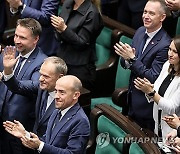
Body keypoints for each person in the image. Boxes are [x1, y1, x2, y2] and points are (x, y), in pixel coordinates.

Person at [114, 0, 171, 131]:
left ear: (162, 17)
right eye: (145, 12)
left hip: (147, 107)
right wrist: (126, 59)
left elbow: (153, 77)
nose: (146, 16)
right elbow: (127, 63)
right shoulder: (140, 31)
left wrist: (132, 59)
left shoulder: (165, 44)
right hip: (131, 99)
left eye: (151, 13)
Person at [3, 75, 90, 154]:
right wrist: (25, 134)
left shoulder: (80, 121)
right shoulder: (56, 111)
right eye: (56, 91)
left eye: (62, 92)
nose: (56, 96)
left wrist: (39, 146)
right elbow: (47, 140)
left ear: (76, 95)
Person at [0, 18, 47, 154]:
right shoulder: (9, 52)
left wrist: (7, 74)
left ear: (35, 39)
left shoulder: (42, 62)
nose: (17, 41)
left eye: (22, 38)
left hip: (20, 127)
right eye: (16, 35)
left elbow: (31, 86)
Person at [3, 56, 67, 138]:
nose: (40, 79)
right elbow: (17, 86)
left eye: (46, 76)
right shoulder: (41, 87)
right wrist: (8, 70)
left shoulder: (67, 100)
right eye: (41, 74)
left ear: (60, 77)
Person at [134, 36, 180, 142]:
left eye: (175, 51)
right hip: (157, 124)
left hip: (173, 132)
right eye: (169, 49)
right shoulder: (167, 65)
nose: (170, 54)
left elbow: (172, 108)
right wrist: (147, 88)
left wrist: (151, 92)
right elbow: (155, 90)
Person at [50, 0, 103, 91]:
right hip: (62, 60)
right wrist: (59, 29)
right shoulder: (68, 4)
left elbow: (82, 43)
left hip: (80, 68)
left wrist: (64, 29)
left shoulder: (92, 13)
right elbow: (58, 36)